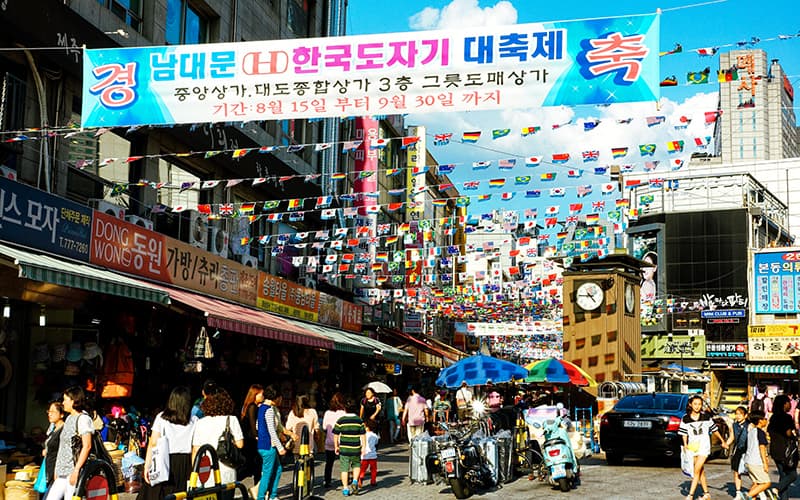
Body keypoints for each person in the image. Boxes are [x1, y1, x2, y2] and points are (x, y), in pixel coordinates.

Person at [138, 386, 197, 500]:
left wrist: (147, 466)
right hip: (185, 463)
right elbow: (195, 447)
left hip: (163, 459)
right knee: (182, 495)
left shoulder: (161, 417)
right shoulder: (194, 420)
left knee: (158, 494)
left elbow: (153, 443)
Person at [191, 388, 244, 497]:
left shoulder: (201, 423)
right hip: (226, 470)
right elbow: (240, 444)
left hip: (206, 471)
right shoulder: (232, 419)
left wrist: (194, 472)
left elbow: (196, 449)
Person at [48, 386, 94, 500]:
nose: (63, 403)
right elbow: (63, 446)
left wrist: (77, 470)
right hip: (61, 472)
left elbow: (87, 446)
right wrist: (57, 469)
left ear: (73, 401)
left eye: (65, 400)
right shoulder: (68, 418)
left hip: (73, 472)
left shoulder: (83, 419)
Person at [678, 394, 728, 500]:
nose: (697, 406)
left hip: (704, 447)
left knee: (696, 471)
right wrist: (686, 445)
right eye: (695, 404)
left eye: (699, 404)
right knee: (700, 471)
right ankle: (707, 494)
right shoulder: (685, 418)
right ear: (690, 405)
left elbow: (714, 430)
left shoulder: (706, 417)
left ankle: (690, 495)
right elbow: (684, 433)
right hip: (692, 447)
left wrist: (723, 441)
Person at [256, 385, 286, 500]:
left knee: (277, 469)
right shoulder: (269, 410)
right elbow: (272, 431)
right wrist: (280, 447)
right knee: (267, 473)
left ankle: (273, 495)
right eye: (280, 397)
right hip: (268, 446)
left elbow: (258, 425)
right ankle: (261, 497)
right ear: (276, 397)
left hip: (262, 445)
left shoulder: (261, 408)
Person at [767, 394, 797, 500]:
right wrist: (795, 436)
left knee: (783, 476)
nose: (790, 405)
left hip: (775, 449)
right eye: (789, 402)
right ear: (785, 404)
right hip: (785, 450)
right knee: (793, 475)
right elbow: (788, 433)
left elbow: (769, 431)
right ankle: (777, 489)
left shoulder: (773, 417)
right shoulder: (786, 417)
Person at [334, 399, 366, 497]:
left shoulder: (341, 420)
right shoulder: (359, 420)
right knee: (356, 465)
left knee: (344, 469)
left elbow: (336, 434)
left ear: (345, 408)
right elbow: (363, 435)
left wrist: (336, 446)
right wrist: (363, 447)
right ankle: (355, 481)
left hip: (344, 449)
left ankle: (345, 489)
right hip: (356, 448)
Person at [743, 411, 773, 500]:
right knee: (766, 482)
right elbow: (762, 448)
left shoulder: (751, 431)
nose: (766, 421)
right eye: (765, 419)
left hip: (748, 461)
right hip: (756, 462)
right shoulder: (760, 432)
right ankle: (747, 496)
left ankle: (751, 497)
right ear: (760, 421)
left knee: (757, 483)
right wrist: (765, 463)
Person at [239, 384, 264, 483]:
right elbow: (253, 425)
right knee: (251, 466)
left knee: (255, 466)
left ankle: (257, 490)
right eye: (261, 394)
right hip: (251, 441)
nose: (263, 396)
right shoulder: (252, 407)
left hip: (249, 439)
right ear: (255, 395)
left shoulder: (249, 406)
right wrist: (257, 436)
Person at [323, 393, 347, 488]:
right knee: (344, 462)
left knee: (329, 462)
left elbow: (324, 427)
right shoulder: (343, 413)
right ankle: (345, 480)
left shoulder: (327, 413)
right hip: (342, 441)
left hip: (329, 440)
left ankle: (327, 480)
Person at [42, 400, 66, 495]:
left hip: (57, 473)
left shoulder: (63, 431)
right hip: (50, 469)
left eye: (53, 412)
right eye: (49, 411)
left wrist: (57, 471)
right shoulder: (53, 429)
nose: (50, 414)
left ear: (61, 415)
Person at [726, 406, 750, 500]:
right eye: (736, 414)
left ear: (745, 415)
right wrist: (726, 444)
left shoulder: (749, 425)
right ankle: (738, 492)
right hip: (738, 451)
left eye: (740, 414)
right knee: (736, 472)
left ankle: (756, 490)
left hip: (747, 451)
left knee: (751, 472)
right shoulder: (734, 425)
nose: (738, 416)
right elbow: (732, 437)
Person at [285, 394, 319, 460]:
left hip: (296, 446)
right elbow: (316, 428)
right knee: (308, 466)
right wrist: (317, 437)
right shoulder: (312, 412)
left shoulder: (293, 412)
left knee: (297, 465)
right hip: (309, 446)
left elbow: (288, 427)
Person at [357, 419, 380, 489]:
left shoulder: (363, 435)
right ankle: (373, 481)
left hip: (364, 455)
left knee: (362, 469)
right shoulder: (375, 435)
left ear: (367, 427)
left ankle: (360, 480)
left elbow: (360, 443)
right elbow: (376, 443)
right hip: (373, 455)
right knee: (373, 469)